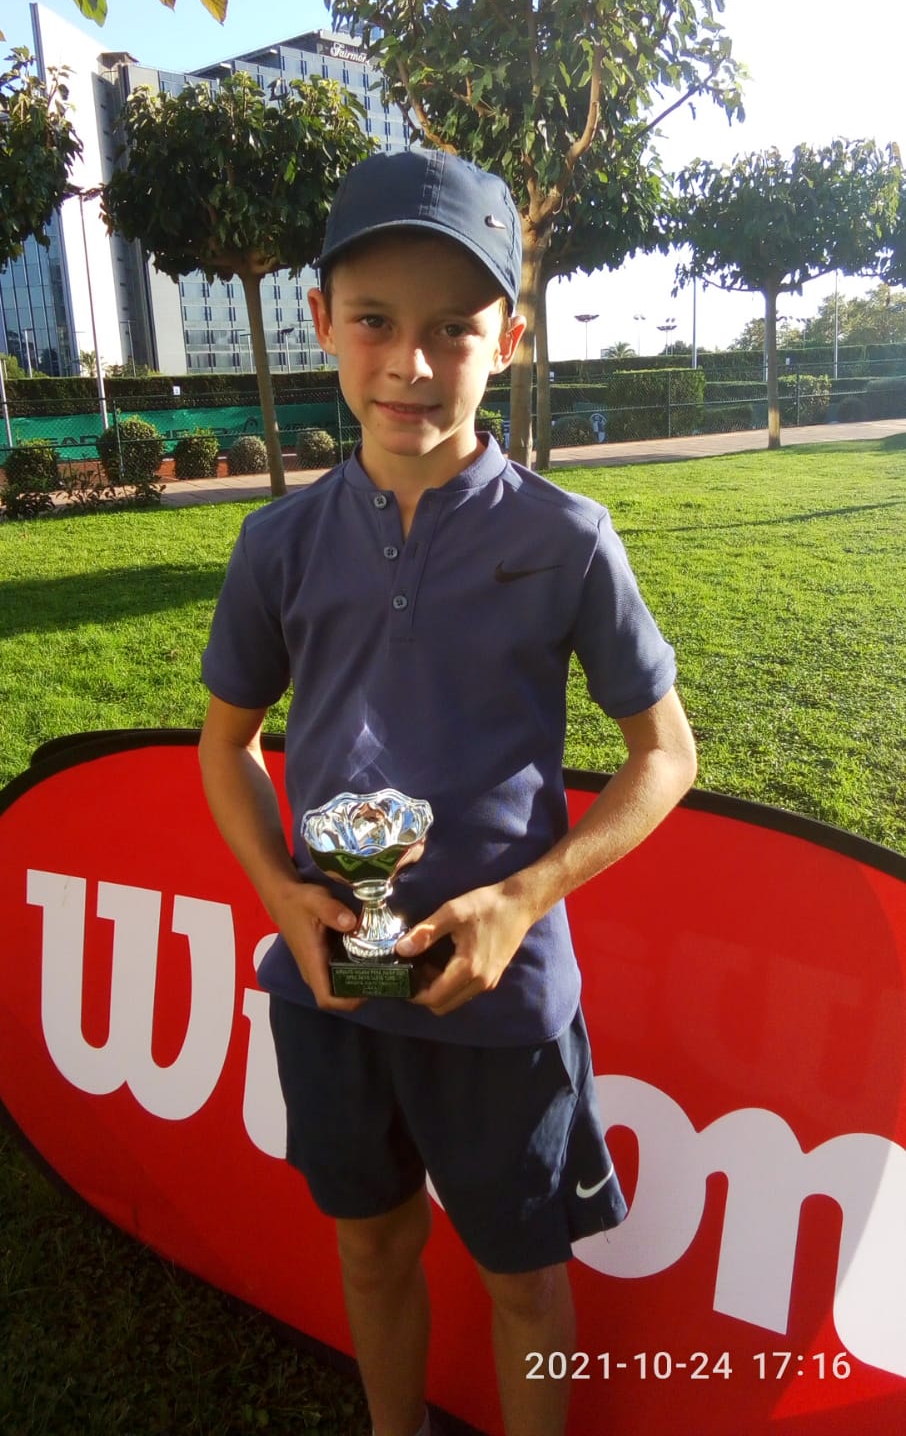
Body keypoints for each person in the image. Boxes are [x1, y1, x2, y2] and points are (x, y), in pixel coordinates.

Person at [198, 150, 698, 1436]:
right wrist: (282, 895)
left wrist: (523, 900)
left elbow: (665, 755)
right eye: (374, 322)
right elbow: (227, 746)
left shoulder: (567, 538)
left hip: (501, 1005)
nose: (409, 364)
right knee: (371, 1251)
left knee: (525, 1284)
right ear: (323, 323)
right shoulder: (277, 543)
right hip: (335, 991)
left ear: (508, 341)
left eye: (453, 330)